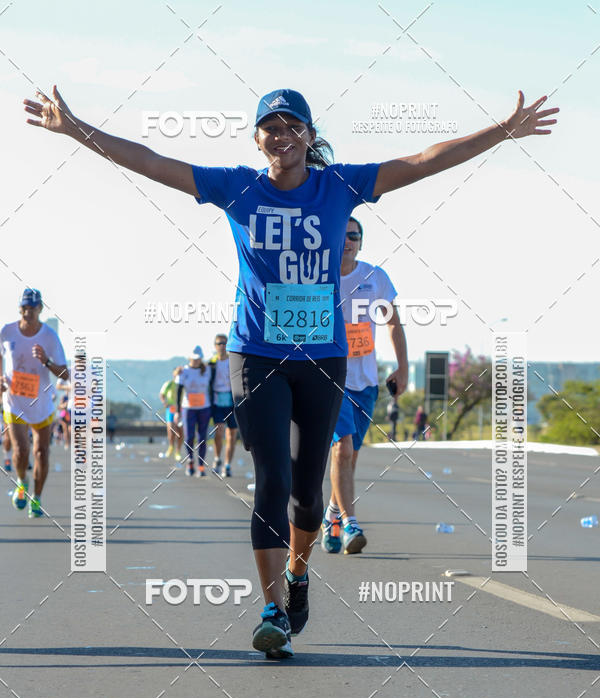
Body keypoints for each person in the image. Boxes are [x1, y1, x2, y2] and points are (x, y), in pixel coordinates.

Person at [24, 83, 558, 656]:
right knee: (273, 480)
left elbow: (424, 160)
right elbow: (152, 162)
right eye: (271, 128)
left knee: (307, 492)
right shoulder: (237, 187)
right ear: (257, 139)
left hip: (322, 358)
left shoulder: (339, 186)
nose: (282, 136)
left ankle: (299, 574)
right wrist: (75, 128)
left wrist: (501, 132)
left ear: (309, 135)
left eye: (292, 127)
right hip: (256, 353)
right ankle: (273, 607)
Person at [321, 217, 408, 555]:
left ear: (361, 242)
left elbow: (393, 323)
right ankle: (350, 523)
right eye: (342, 235)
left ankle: (332, 515)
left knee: (350, 455)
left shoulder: (375, 277)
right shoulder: (320, 275)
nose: (348, 241)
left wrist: (403, 368)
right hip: (331, 379)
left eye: (354, 236)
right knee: (342, 449)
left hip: (365, 382)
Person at [0, 288, 69, 516]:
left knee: (41, 452)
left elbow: (65, 373)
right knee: (21, 450)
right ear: (19, 308)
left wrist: (46, 362)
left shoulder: (49, 336)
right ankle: (22, 481)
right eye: (24, 308)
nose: (28, 312)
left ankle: (37, 498)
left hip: (41, 403)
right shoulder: (7, 331)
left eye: (33, 308)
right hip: (14, 401)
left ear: (40, 309)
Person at [176, 346, 211, 477]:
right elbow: (179, 391)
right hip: (188, 408)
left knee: (202, 437)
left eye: (198, 359)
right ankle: (190, 460)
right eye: (194, 358)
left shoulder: (207, 370)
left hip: (204, 407)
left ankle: (201, 465)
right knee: (189, 436)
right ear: (189, 358)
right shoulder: (183, 371)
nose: (196, 361)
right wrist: (178, 411)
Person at [208, 334, 238, 478]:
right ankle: (217, 458)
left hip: (232, 401)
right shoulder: (211, 364)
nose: (222, 346)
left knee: (231, 435)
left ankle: (227, 465)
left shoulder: (233, 361)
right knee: (219, 432)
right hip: (217, 401)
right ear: (215, 346)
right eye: (219, 343)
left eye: (224, 343)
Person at [159, 366, 183, 460]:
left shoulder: (184, 384)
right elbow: (162, 394)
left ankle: (178, 451)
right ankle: (171, 446)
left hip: (181, 409)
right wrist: (164, 402)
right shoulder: (169, 384)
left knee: (180, 431)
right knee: (171, 429)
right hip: (171, 409)